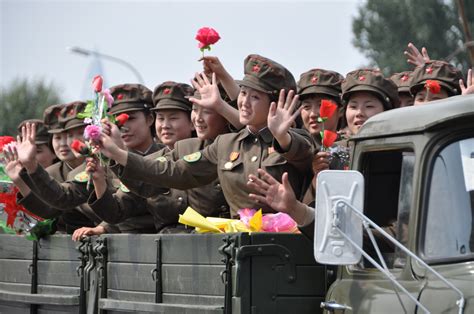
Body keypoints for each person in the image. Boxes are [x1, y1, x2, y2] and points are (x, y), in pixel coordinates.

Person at [99, 54, 314, 217]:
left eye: (255, 97)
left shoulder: (293, 138)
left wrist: (281, 136)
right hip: (241, 247)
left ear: (275, 103)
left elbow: (303, 154)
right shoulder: (227, 143)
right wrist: (119, 155)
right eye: (244, 94)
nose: (244, 102)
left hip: (289, 249)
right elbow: (177, 172)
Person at [72, 84, 162, 240]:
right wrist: (103, 227)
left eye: (131, 118)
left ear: (150, 119)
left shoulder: (166, 156)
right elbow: (119, 207)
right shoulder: (106, 161)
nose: (124, 127)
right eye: (117, 121)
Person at [6, 102, 102, 233]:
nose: (65, 143)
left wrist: (103, 228)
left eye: (80, 133)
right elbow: (50, 209)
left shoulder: (105, 164)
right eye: (59, 137)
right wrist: (20, 180)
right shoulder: (52, 172)